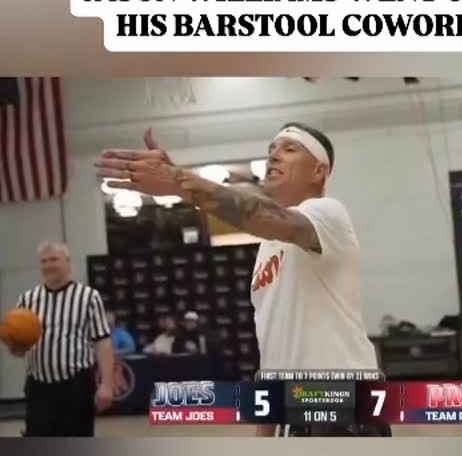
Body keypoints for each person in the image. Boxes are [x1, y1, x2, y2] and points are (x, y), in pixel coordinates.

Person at [95, 125, 390, 437]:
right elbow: (274, 343)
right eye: (271, 150)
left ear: (319, 171)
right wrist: (266, 427)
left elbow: (258, 214)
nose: (274, 155)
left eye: (289, 149)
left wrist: (178, 181)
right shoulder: (268, 247)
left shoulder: (328, 213)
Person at [8, 241, 114, 436]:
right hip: (38, 387)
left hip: (76, 386)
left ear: (68, 262)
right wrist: (15, 346)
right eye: (44, 261)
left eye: (54, 260)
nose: (48, 265)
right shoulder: (27, 299)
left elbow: (103, 341)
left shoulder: (88, 297)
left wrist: (107, 384)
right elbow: (19, 348)